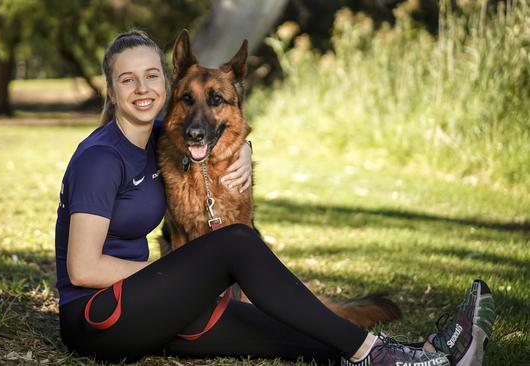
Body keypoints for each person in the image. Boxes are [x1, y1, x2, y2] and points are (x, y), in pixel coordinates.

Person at [55, 30, 495, 365]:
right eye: (127, 80)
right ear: (111, 90)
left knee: (292, 337)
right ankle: (380, 354)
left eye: (151, 75)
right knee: (237, 242)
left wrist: (243, 147)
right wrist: (179, 277)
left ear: (165, 85)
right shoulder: (101, 158)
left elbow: (211, 130)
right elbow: (84, 267)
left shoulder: (156, 138)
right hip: (99, 320)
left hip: (150, 313)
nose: (142, 88)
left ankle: (426, 354)